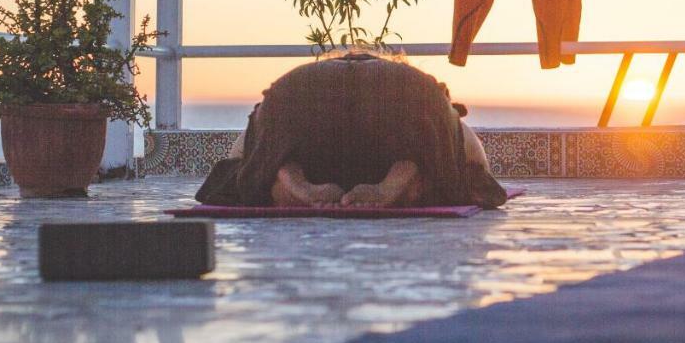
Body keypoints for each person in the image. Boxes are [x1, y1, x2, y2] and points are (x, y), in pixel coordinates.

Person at [195, 51, 507, 209]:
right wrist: (445, 140)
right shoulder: (411, 83)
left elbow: (240, 153)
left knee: (257, 165)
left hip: (295, 95)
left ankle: (285, 177)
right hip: (407, 102)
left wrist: (261, 162)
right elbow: (476, 161)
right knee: (446, 170)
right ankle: (409, 175)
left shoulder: (311, 79)